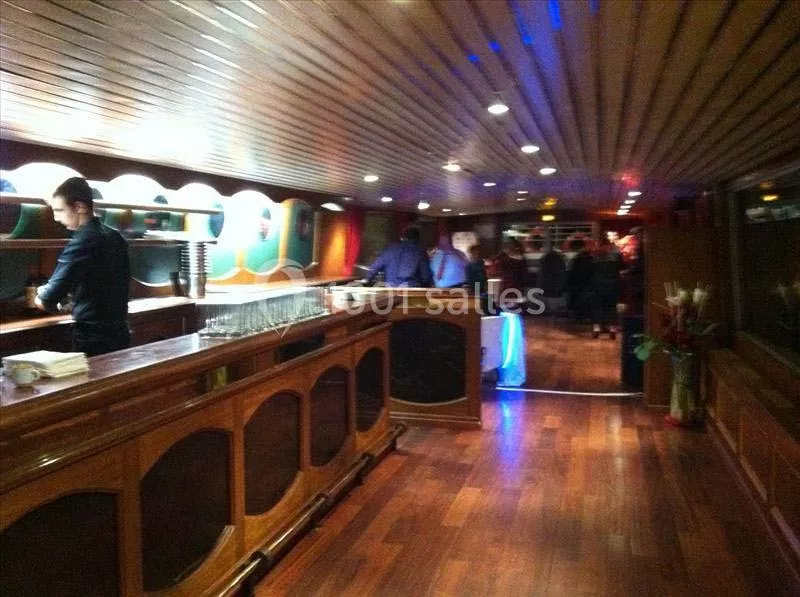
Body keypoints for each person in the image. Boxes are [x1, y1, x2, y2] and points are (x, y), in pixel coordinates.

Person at [35, 177, 131, 356]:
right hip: (120, 331)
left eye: (59, 210)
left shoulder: (83, 240)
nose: (56, 218)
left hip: (93, 338)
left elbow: (50, 296)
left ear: (80, 207)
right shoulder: (115, 236)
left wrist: (41, 296)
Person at [363, 226, 432, 287]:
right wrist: (426, 285)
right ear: (418, 238)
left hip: (390, 288)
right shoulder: (420, 252)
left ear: (403, 237)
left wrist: (367, 279)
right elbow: (425, 276)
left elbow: (375, 267)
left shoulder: (390, 249)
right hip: (410, 289)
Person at [590, 237, 624, 338]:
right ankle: (612, 329)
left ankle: (596, 328)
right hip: (613, 284)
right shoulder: (616, 256)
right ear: (610, 245)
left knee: (597, 307)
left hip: (597, 284)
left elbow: (590, 271)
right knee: (612, 307)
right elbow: (622, 267)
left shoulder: (595, 256)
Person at [566, 239, 594, 322]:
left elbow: (571, 271)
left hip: (577, 284)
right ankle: (585, 317)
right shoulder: (590, 258)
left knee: (578, 300)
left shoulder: (576, 258)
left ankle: (579, 317)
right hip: (587, 283)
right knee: (585, 301)